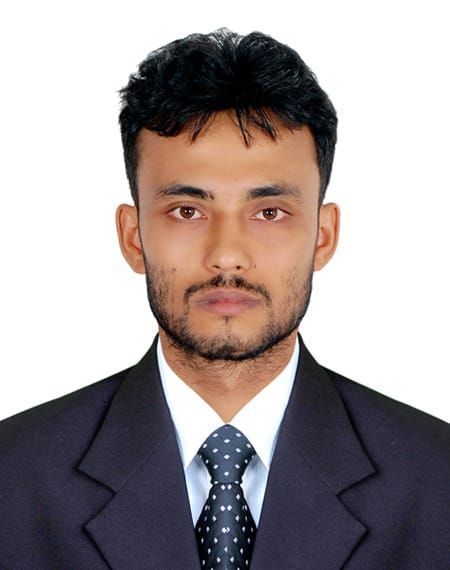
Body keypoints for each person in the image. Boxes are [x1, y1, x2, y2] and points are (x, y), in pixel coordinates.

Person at [0, 28, 449, 569]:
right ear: (133, 236)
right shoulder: (13, 477)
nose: (227, 255)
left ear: (323, 236)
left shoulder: (437, 479)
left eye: (269, 212)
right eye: (187, 211)